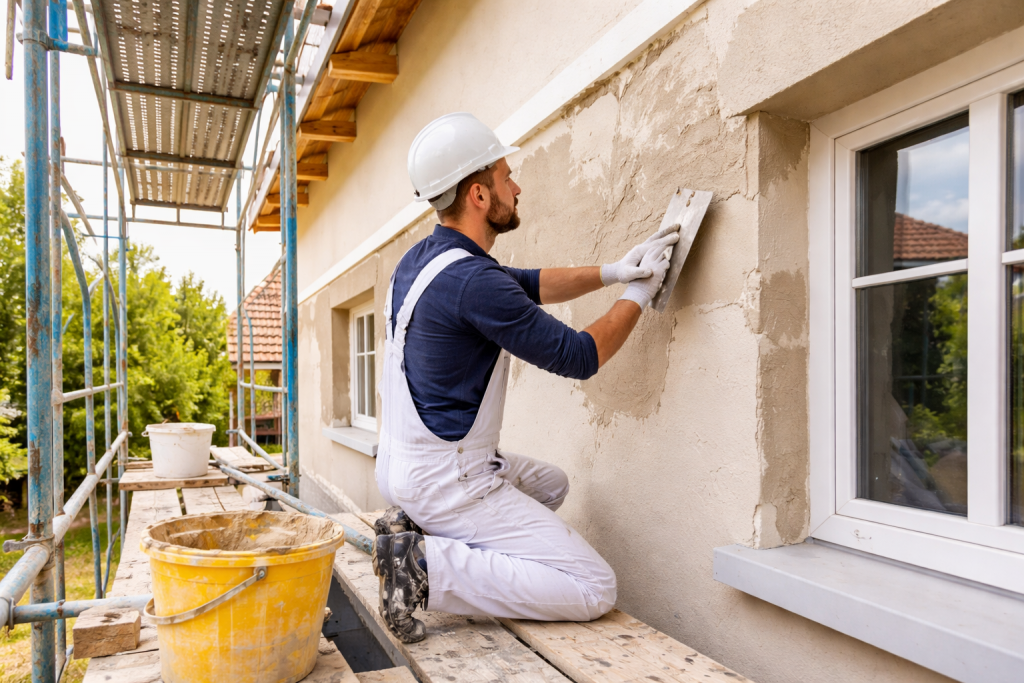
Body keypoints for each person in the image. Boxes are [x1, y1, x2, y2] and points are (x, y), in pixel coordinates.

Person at [371, 112, 679, 642]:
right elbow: (581, 355)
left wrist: (614, 271)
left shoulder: (426, 261)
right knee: (593, 586)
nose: (517, 187)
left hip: (404, 468)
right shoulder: (473, 282)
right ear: (479, 196)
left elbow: (531, 283)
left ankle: (419, 533)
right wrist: (639, 295)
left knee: (551, 485)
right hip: (451, 481)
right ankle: (424, 568)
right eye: (506, 176)